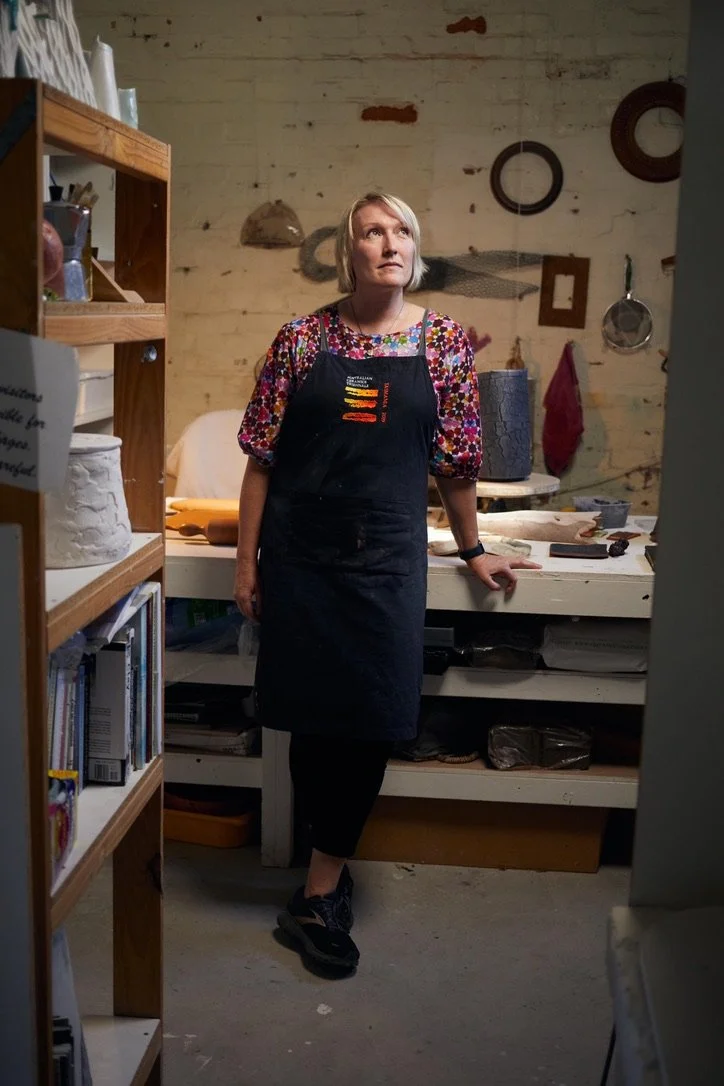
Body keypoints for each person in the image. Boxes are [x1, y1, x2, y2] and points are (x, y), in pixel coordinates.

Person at [236, 192, 540, 976]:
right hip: (302, 562)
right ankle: (321, 886)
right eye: (373, 231)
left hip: (386, 566)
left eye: (402, 229)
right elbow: (262, 458)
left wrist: (474, 549)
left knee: (373, 720)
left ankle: (320, 882)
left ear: (415, 248)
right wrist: (246, 562)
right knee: (311, 722)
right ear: (352, 252)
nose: (389, 242)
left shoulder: (444, 344)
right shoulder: (302, 339)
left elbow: (457, 465)